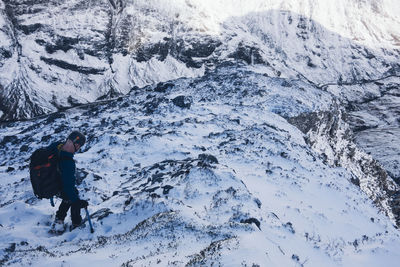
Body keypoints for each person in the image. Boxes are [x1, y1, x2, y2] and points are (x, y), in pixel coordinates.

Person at [51, 131, 89, 233]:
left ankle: (59, 220)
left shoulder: (56, 146)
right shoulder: (68, 162)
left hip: (50, 182)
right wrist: (78, 202)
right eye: (79, 147)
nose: (78, 149)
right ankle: (76, 223)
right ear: (76, 144)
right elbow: (69, 187)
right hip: (56, 185)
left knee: (69, 195)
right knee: (73, 196)